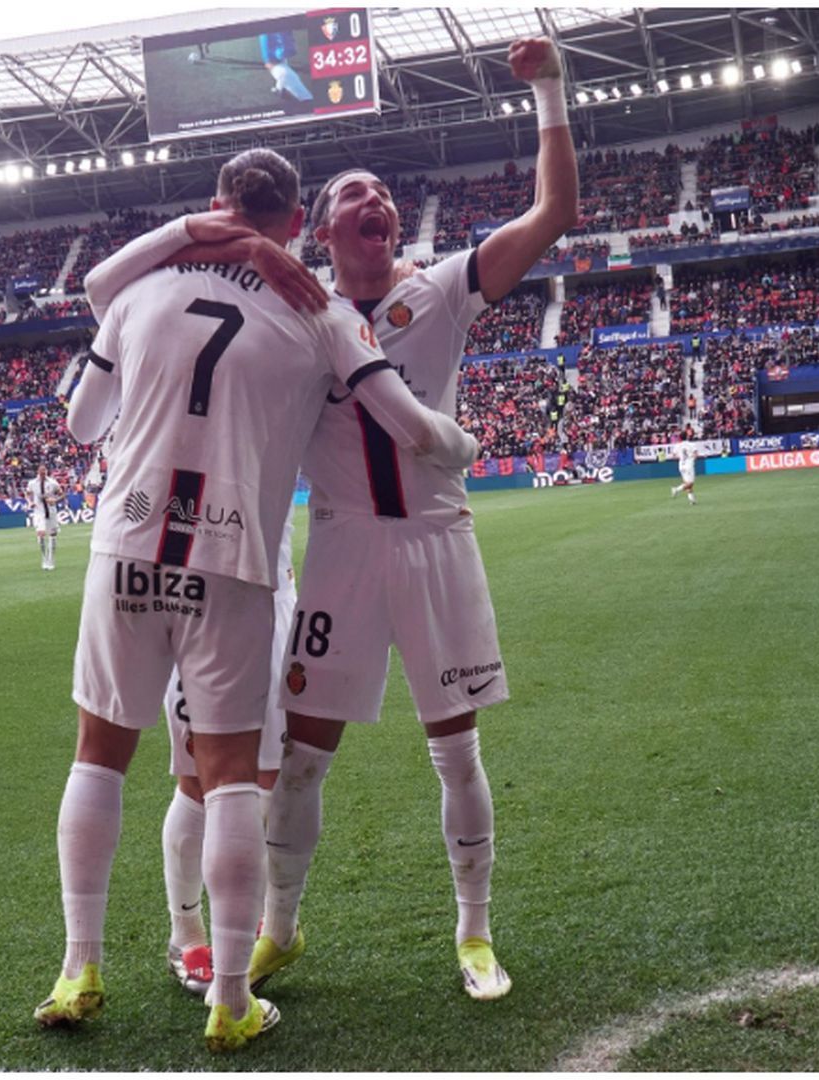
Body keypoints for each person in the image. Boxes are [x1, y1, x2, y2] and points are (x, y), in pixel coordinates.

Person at [82, 37, 573, 1008]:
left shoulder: (441, 288)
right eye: (353, 193)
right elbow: (184, 287)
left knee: (457, 748)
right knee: (297, 764)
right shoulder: (293, 320)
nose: (374, 202)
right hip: (341, 549)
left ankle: (474, 933)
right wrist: (250, 244)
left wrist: (552, 91)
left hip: (438, 543)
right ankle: (277, 932)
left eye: (383, 193)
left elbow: (555, 214)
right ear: (324, 226)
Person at [46, 146, 478, 1051]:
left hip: (126, 543)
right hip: (237, 559)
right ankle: (232, 998)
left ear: (213, 206)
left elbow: (82, 420)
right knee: (233, 775)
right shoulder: (317, 309)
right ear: (296, 225)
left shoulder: (137, 290)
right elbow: (414, 430)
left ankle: (81, 965)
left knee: (99, 758)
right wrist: (460, 443)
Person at [158, 519, 296, 999]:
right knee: (197, 779)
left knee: (271, 779)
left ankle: (247, 922)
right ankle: (187, 934)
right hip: (196, 601)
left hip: (273, 598)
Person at [27, 465, 63, 571]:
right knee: (41, 534)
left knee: (52, 535)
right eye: (41, 472)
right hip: (39, 512)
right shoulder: (32, 483)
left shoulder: (52, 483)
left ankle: (51, 560)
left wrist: (55, 500)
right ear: (38, 472)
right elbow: (28, 494)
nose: (43, 474)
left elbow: (61, 494)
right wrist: (30, 502)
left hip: (51, 512)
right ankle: (44, 559)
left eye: (44, 472)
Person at [672, 429, 699, 505]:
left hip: (681, 465)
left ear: (680, 438)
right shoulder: (691, 445)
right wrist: (692, 458)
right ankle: (676, 489)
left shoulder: (677, 446)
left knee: (687, 483)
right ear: (687, 436)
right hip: (689, 465)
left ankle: (692, 500)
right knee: (690, 483)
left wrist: (681, 457)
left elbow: (673, 456)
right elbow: (696, 454)